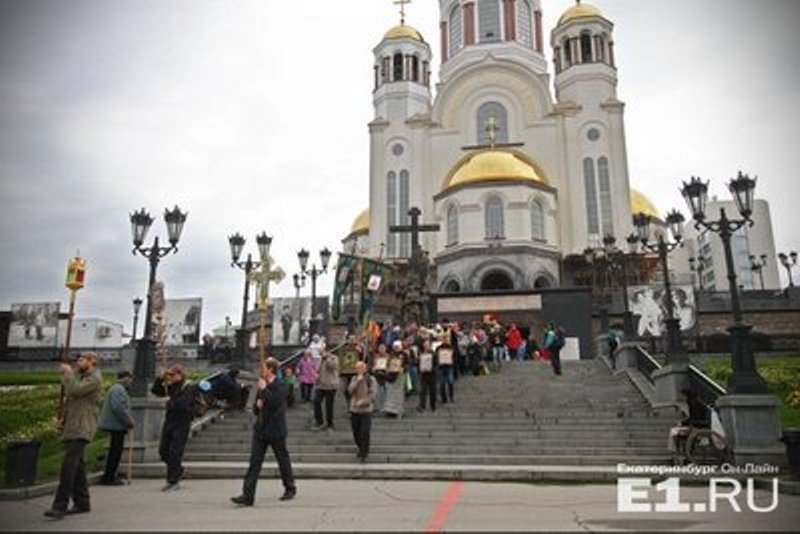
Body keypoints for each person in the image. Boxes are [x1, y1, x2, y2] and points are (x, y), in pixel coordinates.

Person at [44, 352, 103, 519]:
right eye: (78, 359)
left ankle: (59, 506)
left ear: (92, 362)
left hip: (82, 428)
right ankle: (82, 502)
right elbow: (72, 398)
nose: (79, 362)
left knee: (68, 466)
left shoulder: (94, 378)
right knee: (77, 467)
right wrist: (63, 419)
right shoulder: (82, 377)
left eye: (82, 359)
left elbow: (76, 391)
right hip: (74, 425)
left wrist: (68, 374)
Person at [231, 358, 296, 506]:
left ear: (271, 370)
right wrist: (257, 406)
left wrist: (265, 389)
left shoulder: (281, 384)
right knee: (254, 462)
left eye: (264, 368)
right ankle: (248, 495)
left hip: (276, 429)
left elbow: (275, 402)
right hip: (261, 429)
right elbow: (257, 407)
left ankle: (290, 488)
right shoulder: (262, 385)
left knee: (282, 460)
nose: (262, 371)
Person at [152, 363, 195, 492]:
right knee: (163, 451)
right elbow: (156, 391)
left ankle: (173, 480)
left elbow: (183, 405)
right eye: (169, 375)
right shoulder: (170, 387)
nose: (170, 377)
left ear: (180, 375)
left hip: (182, 422)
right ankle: (178, 470)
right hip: (170, 421)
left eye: (172, 375)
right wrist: (160, 378)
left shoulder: (188, 387)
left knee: (175, 452)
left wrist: (169, 401)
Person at [97, 370, 135, 486]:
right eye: (130, 379)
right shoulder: (118, 389)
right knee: (115, 451)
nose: (131, 382)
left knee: (115, 450)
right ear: (125, 378)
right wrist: (129, 421)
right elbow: (118, 408)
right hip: (116, 425)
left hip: (116, 425)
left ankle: (110, 475)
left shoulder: (117, 389)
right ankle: (109, 477)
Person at [348, 361, 378, 462]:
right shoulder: (354, 378)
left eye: (361, 368)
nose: (359, 370)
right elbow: (350, 390)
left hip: (366, 410)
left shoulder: (371, 379)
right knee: (356, 432)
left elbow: (373, 394)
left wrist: (363, 402)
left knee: (364, 432)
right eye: (357, 368)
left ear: (365, 369)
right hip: (354, 410)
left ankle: (364, 452)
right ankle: (360, 447)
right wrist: (358, 381)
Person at [668, 388, 710, 455]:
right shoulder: (695, 404)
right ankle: (679, 450)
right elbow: (692, 418)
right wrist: (682, 422)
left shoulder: (696, 406)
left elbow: (695, 419)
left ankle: (676, 451)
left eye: (683, 396)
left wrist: (683, 423)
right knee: (675, 430)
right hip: (695, 426)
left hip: (697, 428)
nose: (683, 398)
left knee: (674, 431)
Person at [313, 349, 339, 430]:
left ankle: (330, 423)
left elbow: (332, 367)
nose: (320, 352)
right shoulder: (320, 359)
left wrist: (327, 357)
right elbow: (317, 369)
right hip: (320, 385)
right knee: (316, 401)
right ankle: (319, 421)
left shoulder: (334, 357)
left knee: (329, 405)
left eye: (322, 350)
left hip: (331, 385)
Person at [416, 339, 437, 412]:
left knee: (432, 391)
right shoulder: (421, 354)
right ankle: (422, 406)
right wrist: (420, 369)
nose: (425, 347)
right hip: (423, 374)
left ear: (430, 346)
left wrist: (431, 368)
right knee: (423, 391)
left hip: (432, 374)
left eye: (427, 345)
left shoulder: (434, 354)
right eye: (424, 345)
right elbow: (418, 364)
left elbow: (436, 364)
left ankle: (433, 406)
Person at [436, 337, 455, 404]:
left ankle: (451, 397)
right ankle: (444, 399)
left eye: (447, 340)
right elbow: (436, 357)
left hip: (449, 367)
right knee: (442, 384)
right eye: (444, 340)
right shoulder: (438, 348)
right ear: (442, 340)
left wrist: (452, 361)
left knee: (450, 383)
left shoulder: (451, 347)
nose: (445, 341)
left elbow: (454, 357)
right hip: (441, 367)